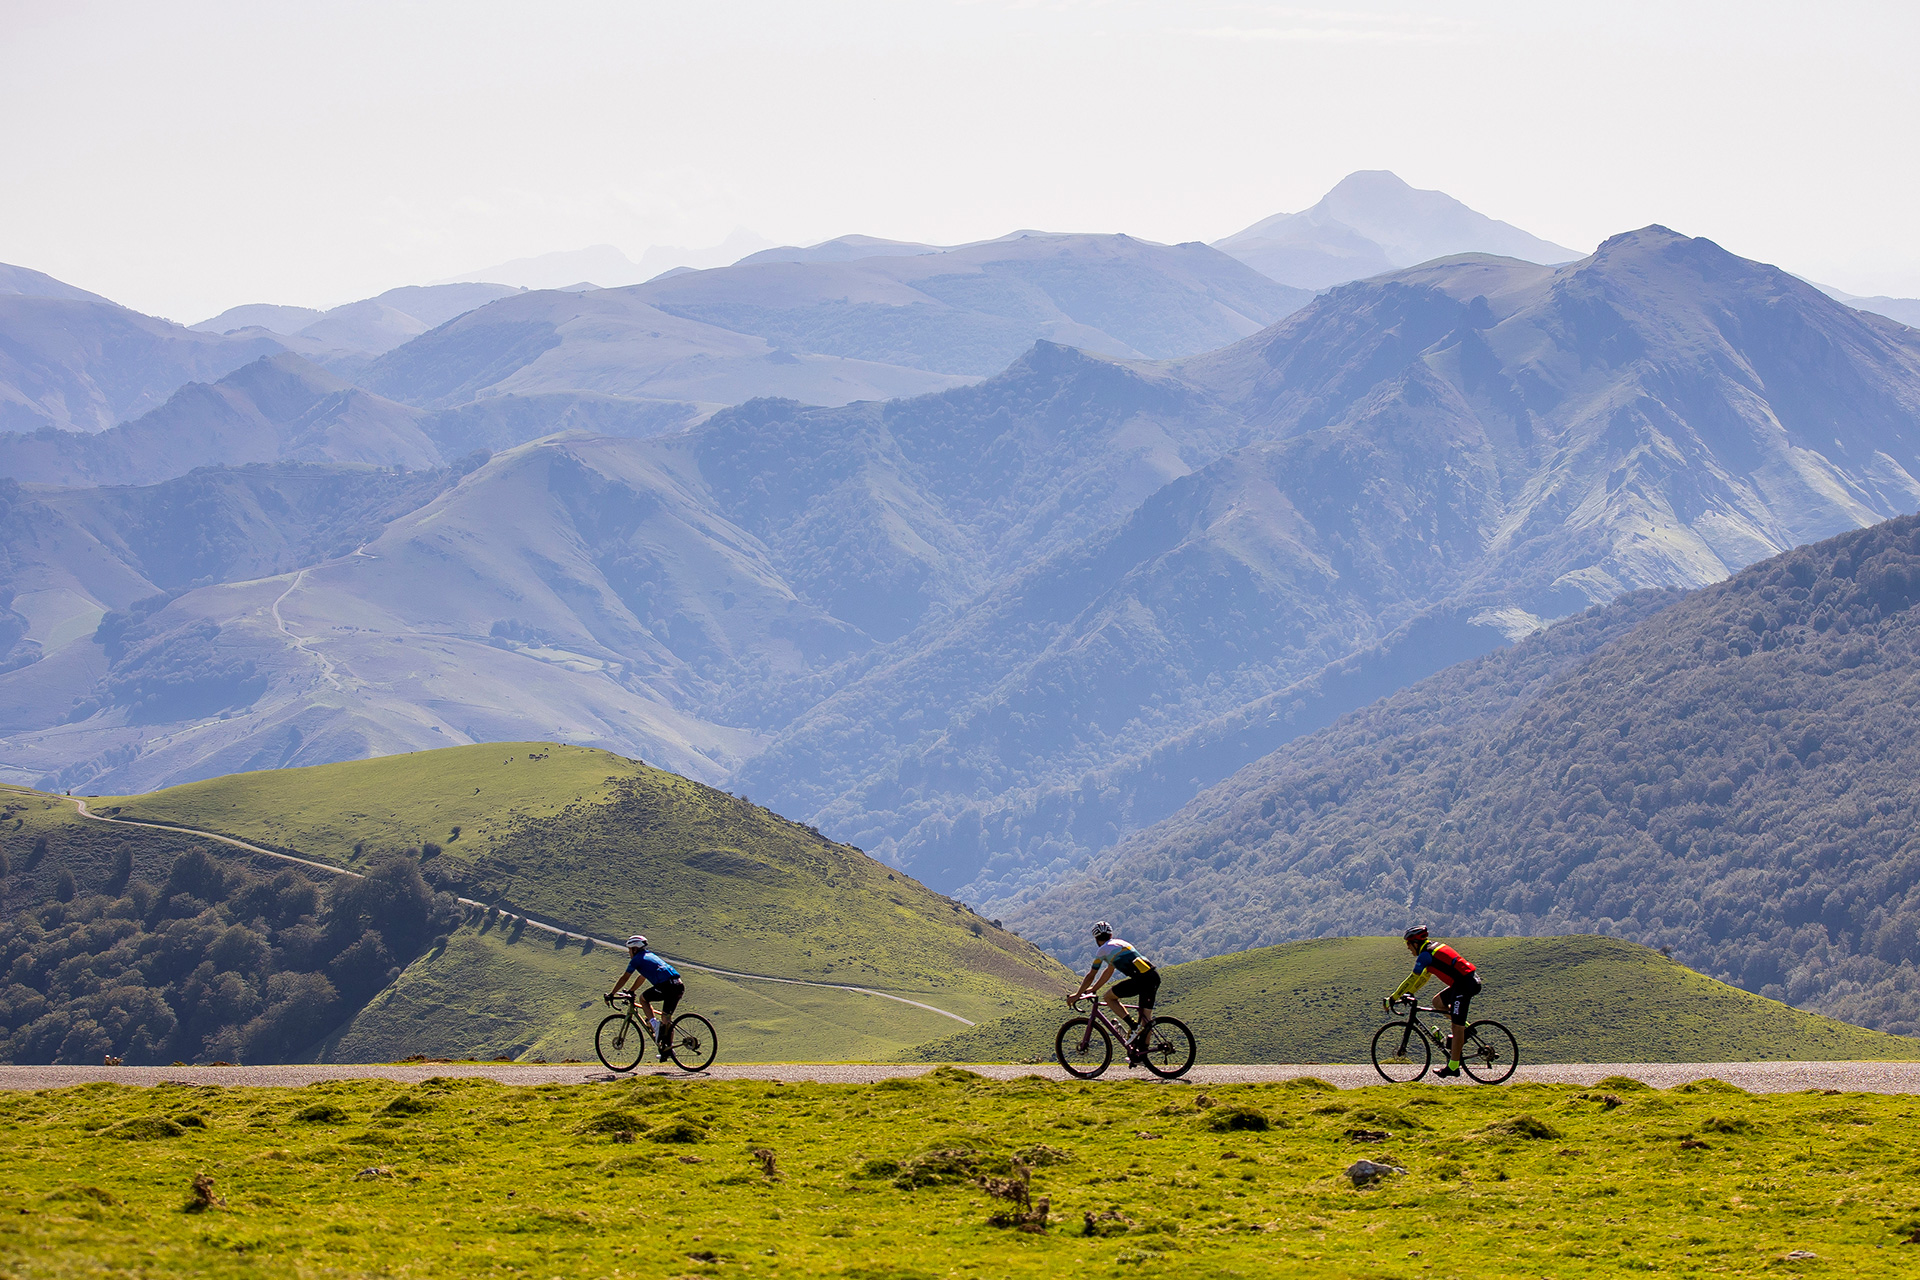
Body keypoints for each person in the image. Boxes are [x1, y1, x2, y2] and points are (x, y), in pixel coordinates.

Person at [1388, 926, 1481, 1077]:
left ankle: (1453, 1067)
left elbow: (1412, 978)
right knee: (1437, 1002)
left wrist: (1393, 998)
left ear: (1416, 943)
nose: (1408, 948)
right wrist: (1409, 993)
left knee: (1456, 1028)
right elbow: (1423, 978)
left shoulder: (1425, 955)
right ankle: (1467, 1029)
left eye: (1408, 944)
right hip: (1464, 982)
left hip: (1464, 985)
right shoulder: (1432, 949)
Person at [1071, 921, 1161, 1066]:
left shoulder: (1102, 950)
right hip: (1153, 977)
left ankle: (1133, 1026)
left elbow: (1091, 975)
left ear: (1096, 939)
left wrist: (1077, 995)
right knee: (1146, 1020)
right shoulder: (1120, 943)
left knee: (1109, 997)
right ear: (1111, 934)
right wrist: (1093, 989)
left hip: (1142, 980)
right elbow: (1109, 971)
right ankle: (1141, 1056)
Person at [605, 934, 684, 1062]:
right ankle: (668, 1049)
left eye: (629, 950)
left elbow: (625, 978)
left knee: (643, 999)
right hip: (678, 985)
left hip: (666, 986)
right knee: (666, 1019)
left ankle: (654, 1025)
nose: (629, 953)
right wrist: (631, 990)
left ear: (634, 949)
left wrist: (612, 994)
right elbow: (642, 977)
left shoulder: (637, 960)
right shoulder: (649, 956)